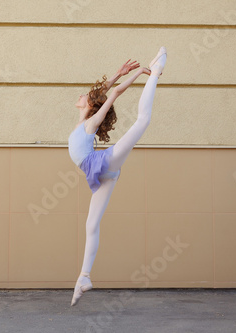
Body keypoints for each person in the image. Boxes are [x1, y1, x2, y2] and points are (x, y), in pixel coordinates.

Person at [68, 47, 167, 306]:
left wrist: (138, 76)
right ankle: (84, 278)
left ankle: (156, 71)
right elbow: (98, 95)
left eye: (85, 96)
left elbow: (111, 94)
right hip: (101, 175)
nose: (81, 95)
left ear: (89, 106)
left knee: (142, 121)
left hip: (102, 163)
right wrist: (118, 73)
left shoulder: (91, 123)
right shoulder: (83, 120)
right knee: (91, 225)